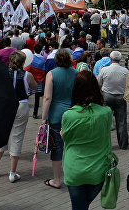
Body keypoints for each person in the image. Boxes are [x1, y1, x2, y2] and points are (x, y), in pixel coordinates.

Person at [62, 71, 113, 210]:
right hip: (99, 168)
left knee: (79, 206)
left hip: (75, 168)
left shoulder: (69, 115)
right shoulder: (106, 112)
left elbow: (65, 138)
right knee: (82, 206)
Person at [0, 51, 37, 183]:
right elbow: (35, 87)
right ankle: (12, 173)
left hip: (6, 105)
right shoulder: (27, 75)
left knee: (2, 137)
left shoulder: (2, 73)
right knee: (17, 137)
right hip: (21, 105)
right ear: (23, 62)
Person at [42, 49, 78, 189]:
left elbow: (47, 98)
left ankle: (57, 179)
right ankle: (73, 175)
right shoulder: (76, 74)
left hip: (56, 115)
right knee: (72, 146)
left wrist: (44, 118)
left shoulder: (51, 74)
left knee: (57, 148)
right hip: (73, 114)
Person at [97, 51, 129, 149]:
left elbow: (99, 83)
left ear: (111, 59)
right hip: (120, 96)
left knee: (105, 121)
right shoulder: (125, 71)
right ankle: (123, 144)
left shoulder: (104, 70)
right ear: (120, 60)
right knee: (121, 121)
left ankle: (104, 144)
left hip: (107, 96)